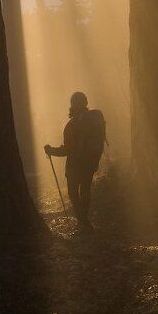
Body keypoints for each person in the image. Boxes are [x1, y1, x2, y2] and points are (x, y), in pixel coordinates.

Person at [44, 92, 106, 231]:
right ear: (86, 103)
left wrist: (51, 150)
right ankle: (84, 221)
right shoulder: (93, 120)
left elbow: (67, 150)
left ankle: (82, 221)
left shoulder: (71, 126)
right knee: (85, 190)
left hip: (74, 166)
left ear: (72, 105)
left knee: (73, 193)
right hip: (90, 163)